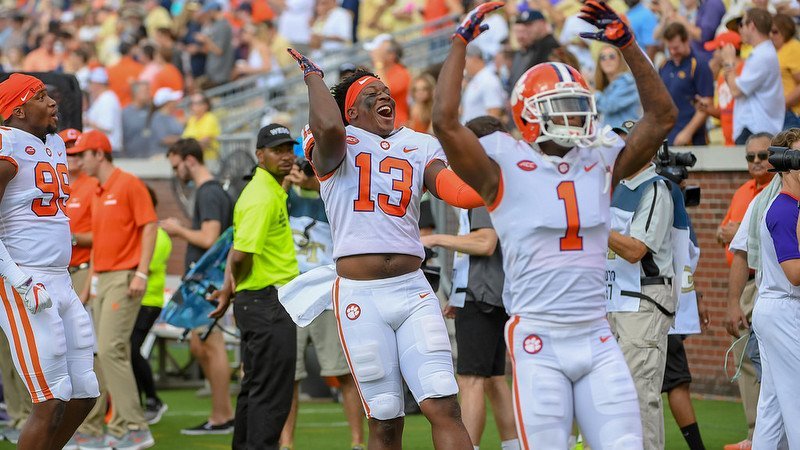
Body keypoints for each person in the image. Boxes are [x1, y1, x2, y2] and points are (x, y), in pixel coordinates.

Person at [432, 1, 677, 448]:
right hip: (538, 338)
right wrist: (460, 44)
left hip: (598, 333)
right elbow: (445, 123)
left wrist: (628, 46)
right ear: (528, 114)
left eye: (578, 105)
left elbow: (662, 117)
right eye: (561, 107)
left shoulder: (600, 160)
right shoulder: (501, 165)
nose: (574, 116)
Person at [288, 40, 487, 447]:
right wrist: (314, 77)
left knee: (443, 406)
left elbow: (458, 192)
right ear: (351, 111)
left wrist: (497, 186)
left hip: (413, 289)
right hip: (361, 295)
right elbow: (328, 128)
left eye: (386, 91)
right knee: (384, 417)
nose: (384, 96)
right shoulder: (334, 138)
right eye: (370, 94)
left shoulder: (418, 144)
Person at [0, 73, 100, 450]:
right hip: (24, 280)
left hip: (60, 277)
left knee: (85, 391)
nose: (53, 102)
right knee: (50, 396)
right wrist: (19, 281)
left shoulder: (54, 143)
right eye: (41, 96)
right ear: (19, 110)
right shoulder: (5, 146)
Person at [423, 115, 520, 450]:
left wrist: (436, 239)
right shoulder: (507, 178)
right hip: (490, 291)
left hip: (484, 293)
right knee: (493, 378)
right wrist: (460, 293)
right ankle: (513, 444)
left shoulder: (487, 180)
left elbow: (484, 242)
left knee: (471, 379)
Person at [208, 124, 300, 450]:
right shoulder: (262, 196)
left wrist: (230, 289)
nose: (287, 157)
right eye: (278, 151)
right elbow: (241, 255)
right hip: (267, 302)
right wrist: (235, 284)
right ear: (260, 156)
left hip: (259, 300)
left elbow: (239, 251)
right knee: (271, 395)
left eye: (289, 149)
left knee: (256, 389)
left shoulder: (267, 189)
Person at [72, 129, 157, 449]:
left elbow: (149, 226)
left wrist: (142, 274)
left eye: (82, 155)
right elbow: (100, 243)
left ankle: (134, 426)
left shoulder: (128, 183)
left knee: (110, 350)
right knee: (101, 353)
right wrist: (90, 284)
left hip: (124, 277)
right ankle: (114, 427)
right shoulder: (97, 189)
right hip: (103, 279)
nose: (78, 161)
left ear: (99, 154)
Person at [278, 161, 366, 450]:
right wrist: (288, 185)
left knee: (341, 371)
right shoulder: (283, 197)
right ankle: (286, 443)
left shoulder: (332, 197)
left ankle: (357, 442)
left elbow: (342, 203)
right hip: (292, 292)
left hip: (327, 293)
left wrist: (312, 184)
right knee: (289, 375)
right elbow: (272, 213)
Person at [161, 138, 236, 436]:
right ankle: (220, 414)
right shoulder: (211, 191)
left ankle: (223, 416)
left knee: (210, 345)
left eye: (177, 165)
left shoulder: (209, 192)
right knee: (199, 344)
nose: (176, 172)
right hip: (206, 281)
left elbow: (209, 238)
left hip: (208, 281)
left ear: (190, 160)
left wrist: (178, 230)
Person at [605, 158, 679, 449]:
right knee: (616, 396)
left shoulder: (655, 187)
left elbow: (636, 250)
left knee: (638, 396)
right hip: (616, 300)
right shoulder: (616, 187)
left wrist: (595, 226)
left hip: (642, 301)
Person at [721, 133, 779, 450]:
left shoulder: (781, 193)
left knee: (776, 360)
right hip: (750, 285)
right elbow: (731, 240)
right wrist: (732, 302)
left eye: (763, 155)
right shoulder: (748, 194)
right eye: (750, 157)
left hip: (773, 283)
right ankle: (755, 432)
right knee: (746, 354)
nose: (756, 162)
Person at [751, 139, 800, 448]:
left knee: (771, 408)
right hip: (785, 307)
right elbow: (795, 274)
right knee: (796, 401)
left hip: (776, 307)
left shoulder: (788, 205)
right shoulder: (784, 208)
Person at [131, 187, 171, 425]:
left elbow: (140, 265)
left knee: (131, 349)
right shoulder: (144, 232)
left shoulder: (158, 235)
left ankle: (153, 399)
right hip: (137, 300)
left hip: (149, 301)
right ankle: (137, 401)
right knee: (126, 350)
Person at [720, 8, 784, 144]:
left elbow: (736, 90)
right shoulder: (762, 53)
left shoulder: (762, 55)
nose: (739, 29)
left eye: (742, 24)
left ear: (752, 25)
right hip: (756, 128)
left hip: (755, 129)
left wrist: (729, 62)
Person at [659, 22, 714, 146]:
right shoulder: (664, 66)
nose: (673, 52)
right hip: (668, 136)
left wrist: (687, 132)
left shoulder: (699, 64)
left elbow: (706, 104)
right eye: (670, 48)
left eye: (676, 47)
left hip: (692, 138)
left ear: (687, 41)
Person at [697, 31, 743, 146]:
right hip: (728, 141)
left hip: (744, 139)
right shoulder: (723, 74)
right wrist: (707, 109)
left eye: (717, 49)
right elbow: (723, 112)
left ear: (726, 49)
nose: (714, 54)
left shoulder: (745, 69)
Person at [508, 10, 560, 90]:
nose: (527, 29)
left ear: (542, 23)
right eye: (526, 25)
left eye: (530, 24)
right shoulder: (535, 46)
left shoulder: (551, 46)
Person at [594, 44, 641, 129]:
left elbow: (609, 105)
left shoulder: (627, 82)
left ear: (620, 60)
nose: (607, 60)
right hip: (611, 138)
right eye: (603, 58)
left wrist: (593, 92)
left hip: (626, 137)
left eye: (611, 56)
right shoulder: (607, 87)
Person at [369, 37, 411, 128]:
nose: (375, 53)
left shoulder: (402, 73)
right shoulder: (383, 71)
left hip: (396, 124)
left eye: (380, 51)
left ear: (392, 55)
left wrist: (378, 63)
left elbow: (385, 92)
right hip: (383, 122)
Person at [461, 45, 506, 123]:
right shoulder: (477, 79)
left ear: (474, 59)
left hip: (481, 134)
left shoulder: (488, 79)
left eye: (464, 61)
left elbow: (494, 113)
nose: (462, 65)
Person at [769, 14, 800, 129]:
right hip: (781, 114)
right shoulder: (777, 50)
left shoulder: (793, 47)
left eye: (775, 32)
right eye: (769, 32)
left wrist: (783, 104)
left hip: (792, 114)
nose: (771, 35)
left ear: (785, 30)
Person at [85, 67, 123, 152]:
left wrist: (87, 122)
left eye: (91, 83)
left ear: (97, 83)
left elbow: (107, 127)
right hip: (104, 149)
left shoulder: (107, 99)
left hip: (109, 149)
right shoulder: (102, 98)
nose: (90, 86)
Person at [182, 93, 222, 162]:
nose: (192, 106)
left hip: (208, 160)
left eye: (196, 103)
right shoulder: (192, 119)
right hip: (192, 160)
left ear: (205, 105)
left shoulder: (210, 118)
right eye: (191, 103)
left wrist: (185, 149)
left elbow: (204, 143)